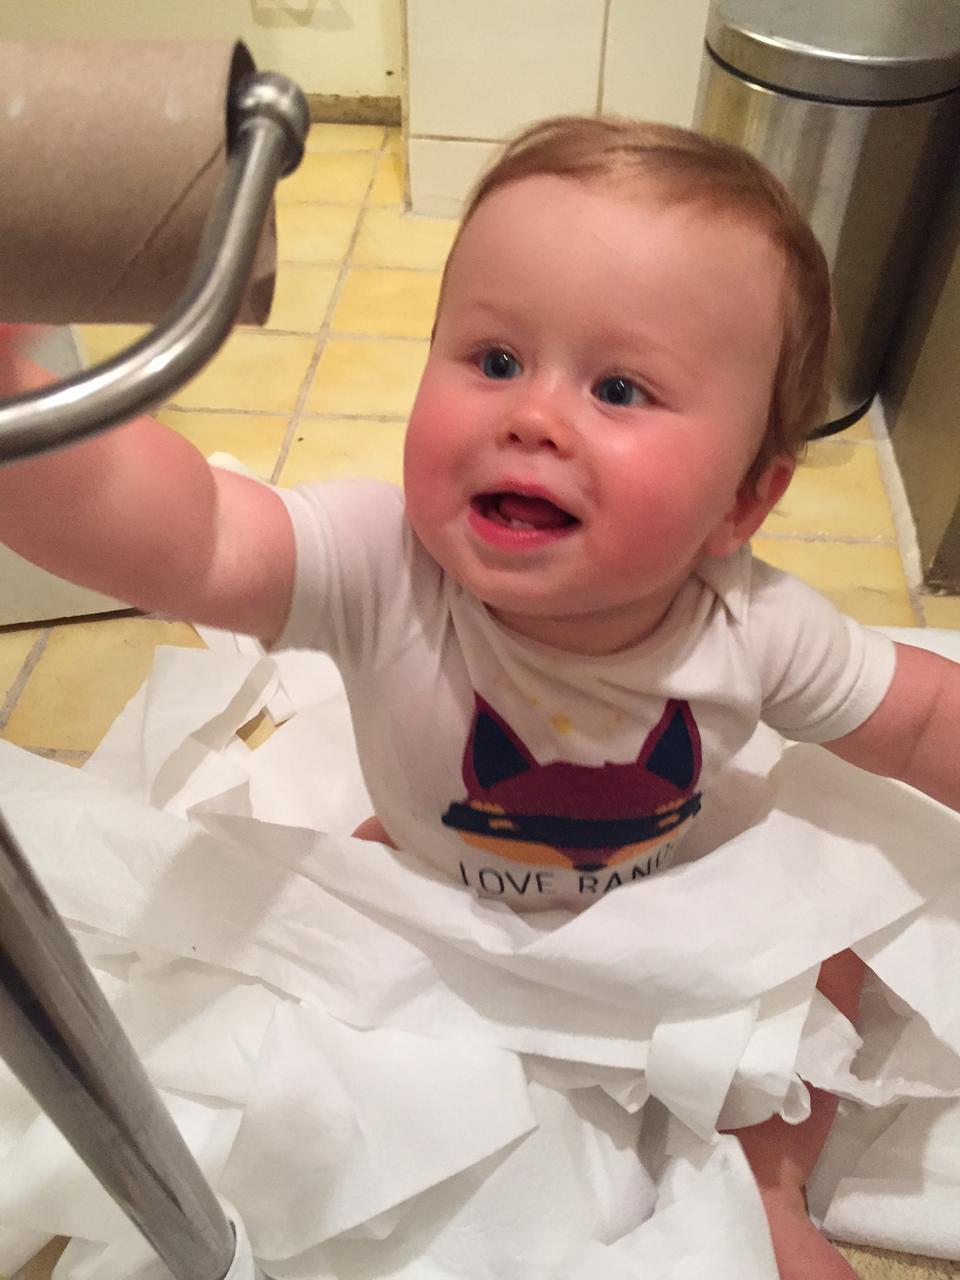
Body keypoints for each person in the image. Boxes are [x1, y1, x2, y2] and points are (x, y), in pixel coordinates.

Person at [1, 115, 958, 1279]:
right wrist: (23, 409)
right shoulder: (378, 565)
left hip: (662, 893)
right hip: (430, 891)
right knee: (315, 1013)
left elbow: (920, 717)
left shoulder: (754, 626)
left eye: (619, 387)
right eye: (496, 359)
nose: (532, 415)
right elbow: (193, 533)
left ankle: (772, 1189)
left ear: (742, 503)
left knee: (833, 946)